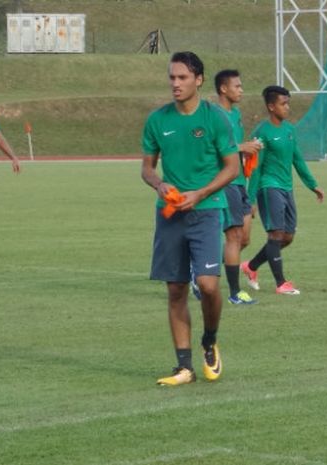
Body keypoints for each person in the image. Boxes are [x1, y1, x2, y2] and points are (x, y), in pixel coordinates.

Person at [141, 51, 240, 385]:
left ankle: (210, 340)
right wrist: (159, 183)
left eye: (182, 77)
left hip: (207, 212)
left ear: (198, 80)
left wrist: (200, 193)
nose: (175, 83)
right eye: (171, 77)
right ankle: (184, 366)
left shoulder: (215, 119)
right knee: (175, 290)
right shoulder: (158, 120)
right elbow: (147, 168)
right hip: (170, 216)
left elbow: (232, 167)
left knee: (209, 285)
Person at [241, 85, 324, 295]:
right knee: (276, 234)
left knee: (287, 237)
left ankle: (250, 267)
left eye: (288, 103)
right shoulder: (261, 132)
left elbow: (297, 159)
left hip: (287, 188)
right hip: (269, 188)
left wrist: (312, 184)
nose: (287, 108)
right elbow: (255, 168)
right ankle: (281, 283)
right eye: (283, 104)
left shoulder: (289, 130)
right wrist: (250, 200)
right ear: (271, 106)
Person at [213, 69, 263, 305]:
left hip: (240, 181)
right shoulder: (214, 115)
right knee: (233, 236)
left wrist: (249, 148)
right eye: (237, 86)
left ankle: (198, 268)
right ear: (224, 89)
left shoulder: (236, 114)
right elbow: (211, 149)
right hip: (226, 182)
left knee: (244, 239)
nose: (241, 90)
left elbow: (234, 146)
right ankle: (235, 293)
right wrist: (241, 147)